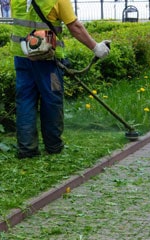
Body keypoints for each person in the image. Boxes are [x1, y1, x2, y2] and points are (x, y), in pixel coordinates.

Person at [10, 0, 110, 159]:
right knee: (52, 100)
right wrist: (96, 47)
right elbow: (75, 27)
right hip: (49, 62)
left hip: (22, 57)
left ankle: (27, 149)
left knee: (25, 101)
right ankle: (53, 146)